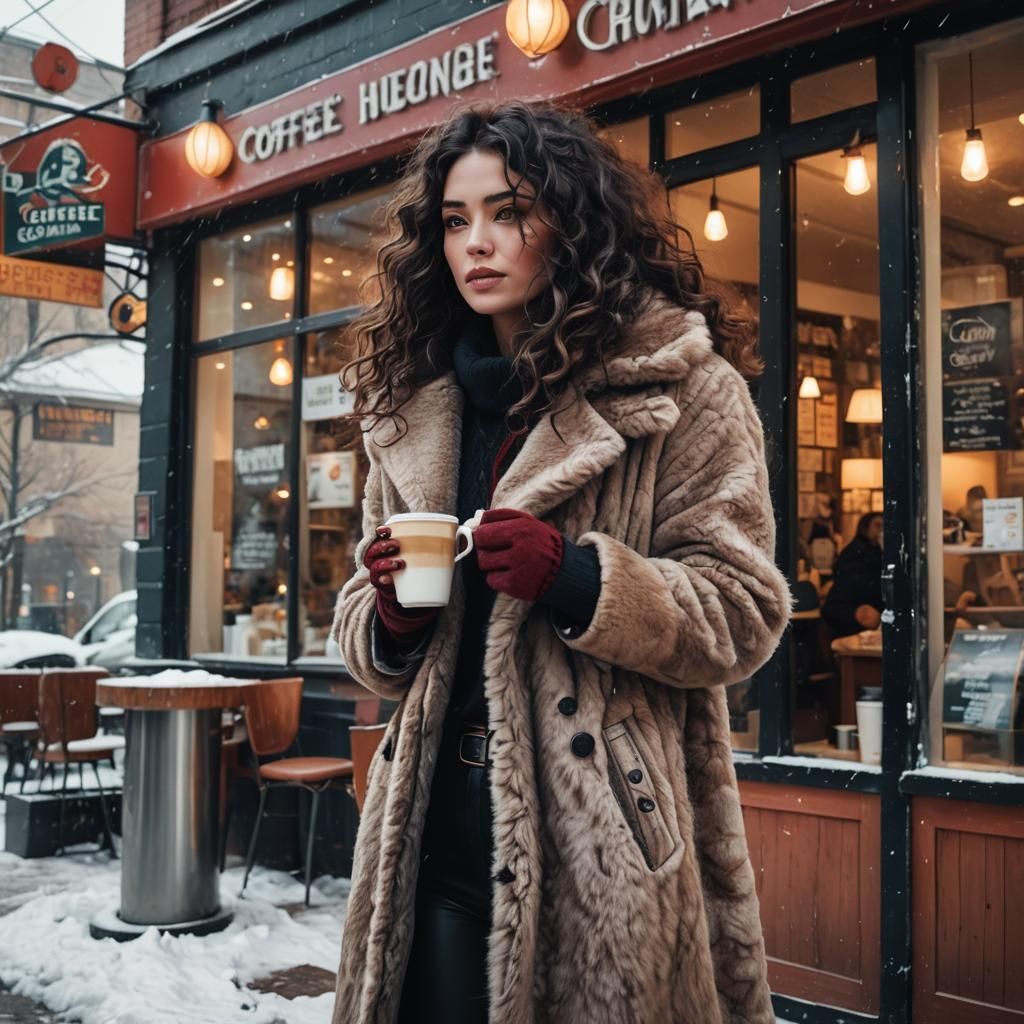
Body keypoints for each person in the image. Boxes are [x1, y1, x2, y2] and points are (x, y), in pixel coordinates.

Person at [330, 100, 791, 1024]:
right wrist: (388, 617)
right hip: (424, 824)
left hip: (601, 837)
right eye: (455, 222)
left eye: (510, 212)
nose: (478, 244)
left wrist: (579, 579)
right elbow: (360, 627)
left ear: (573, 224)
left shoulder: (683, 387)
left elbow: (743, 613)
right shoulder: (413, 410)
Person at [822, 512, 884, 637]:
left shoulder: (875, 550)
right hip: (853, 613)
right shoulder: (856, 552)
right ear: (865, 528)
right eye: (877, 525)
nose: (881, 530)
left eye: (883, 526)